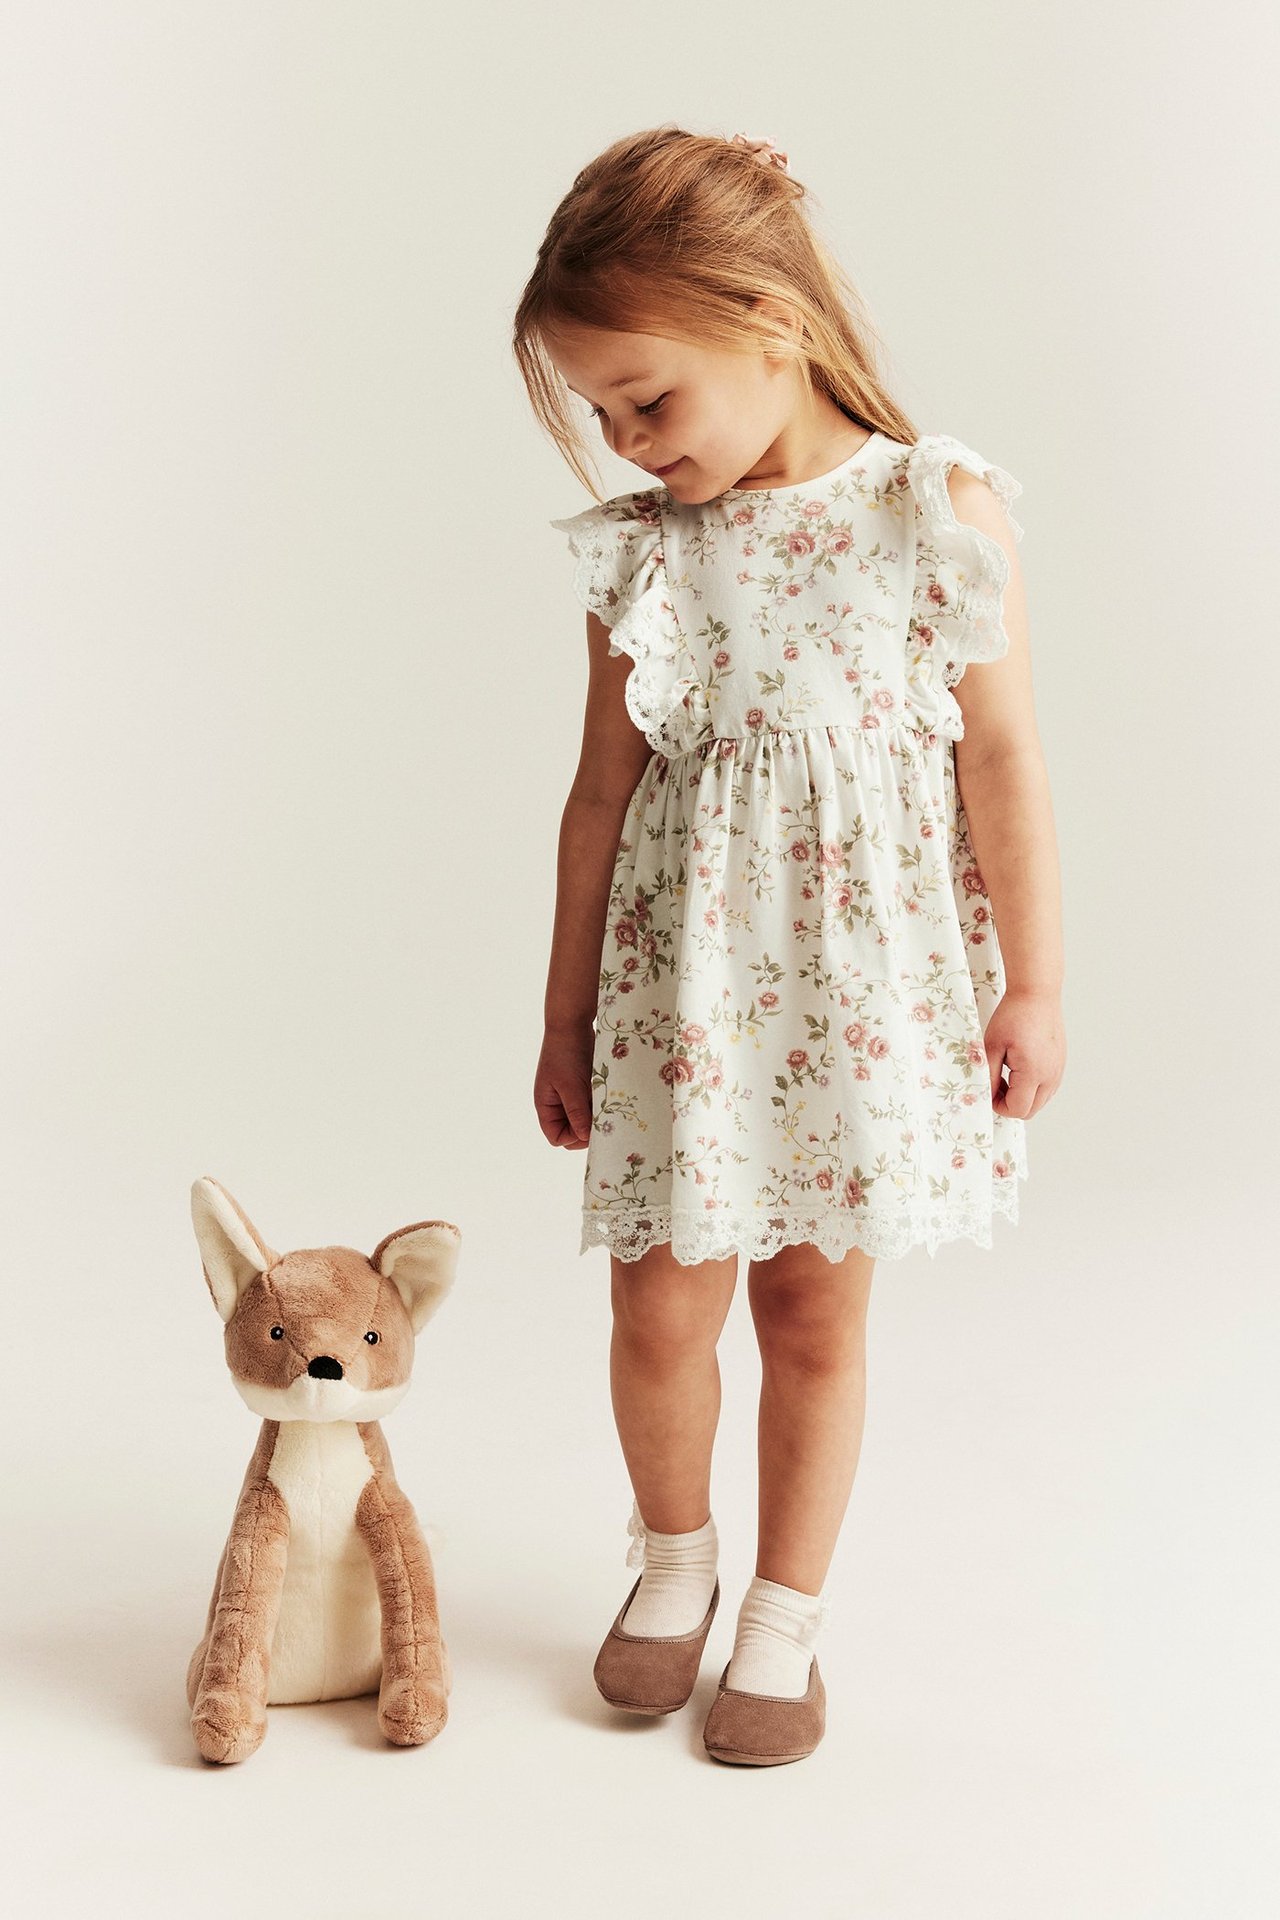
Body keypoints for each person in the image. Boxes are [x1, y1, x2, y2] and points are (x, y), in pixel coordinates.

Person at [513, 125, 1066, 1766]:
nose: (625, 439)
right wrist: (558, 1023)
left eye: (647, 399)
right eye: (599, 414)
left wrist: (1035, 980)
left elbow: (1004, 760)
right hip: (683, 1008)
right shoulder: (650, 555)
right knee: (659, 1310)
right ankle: (674, 1561)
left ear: (768, 320)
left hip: (863, 1007)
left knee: (815, 1315)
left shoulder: (931, 506)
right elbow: (600, 796)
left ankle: (785, 1615)